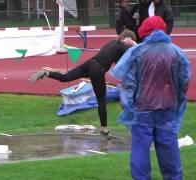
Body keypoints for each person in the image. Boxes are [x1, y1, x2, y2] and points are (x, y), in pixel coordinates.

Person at [111, 16, 191, 179]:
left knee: (140, 150)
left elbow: (129, 82)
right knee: (169, 149)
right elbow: (184, 81)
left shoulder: (138, 51)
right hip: (168, 108)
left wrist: (127, 104)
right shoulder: (176, 52)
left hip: (142, 109)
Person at [30, 29, 137, 136]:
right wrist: (134, 44)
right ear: (128, 39)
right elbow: (138, 53)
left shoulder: (112, 42)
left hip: (90, 63)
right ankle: (104, 128)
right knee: (101, 100)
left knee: (65, 77)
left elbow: (117, 61)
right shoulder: (124, 45)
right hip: (98, 69)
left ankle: (47, 73)